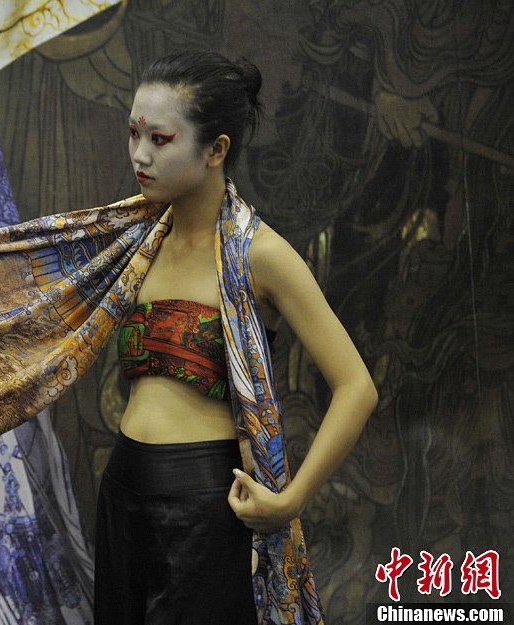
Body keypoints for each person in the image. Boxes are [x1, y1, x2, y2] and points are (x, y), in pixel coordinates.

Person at [97, 51, 379, 623]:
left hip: (206, 505)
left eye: (160, 138)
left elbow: (357, 387)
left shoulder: (260, 254)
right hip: (122, 492)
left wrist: (291, 500)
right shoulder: (136, 239)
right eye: (133, 134)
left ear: (216, 150)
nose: (140, 154)